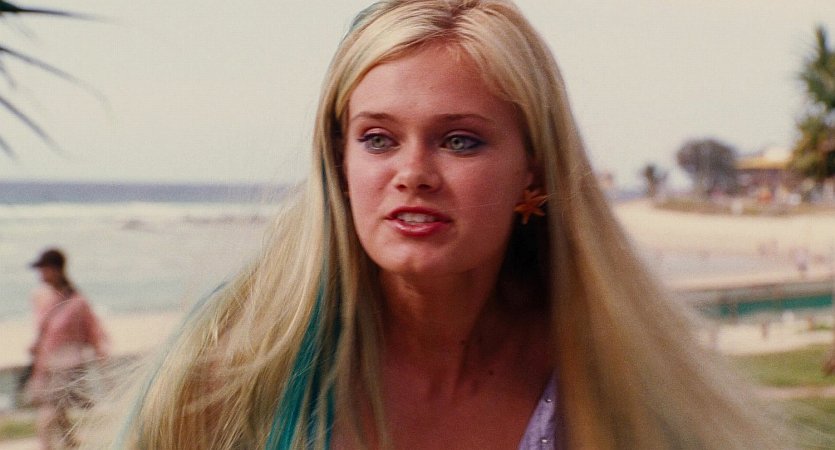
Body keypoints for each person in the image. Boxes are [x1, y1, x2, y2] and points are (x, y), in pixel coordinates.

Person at [91, 1, 785, 448]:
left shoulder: (604, 377)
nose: (412, 173)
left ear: (533, 170)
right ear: (338, 160)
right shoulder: (234, 370)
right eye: (378, 139)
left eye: (460, 140)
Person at [26, 248, 109, 449]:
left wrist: (103, 367)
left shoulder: (77, 303)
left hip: (66, 367)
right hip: (46, 366)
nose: (40, 274)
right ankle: (72, 446)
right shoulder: (42, 298)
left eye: (44, 269)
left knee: (49, 415)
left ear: (55, 270)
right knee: (59, 417)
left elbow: (95, 335)